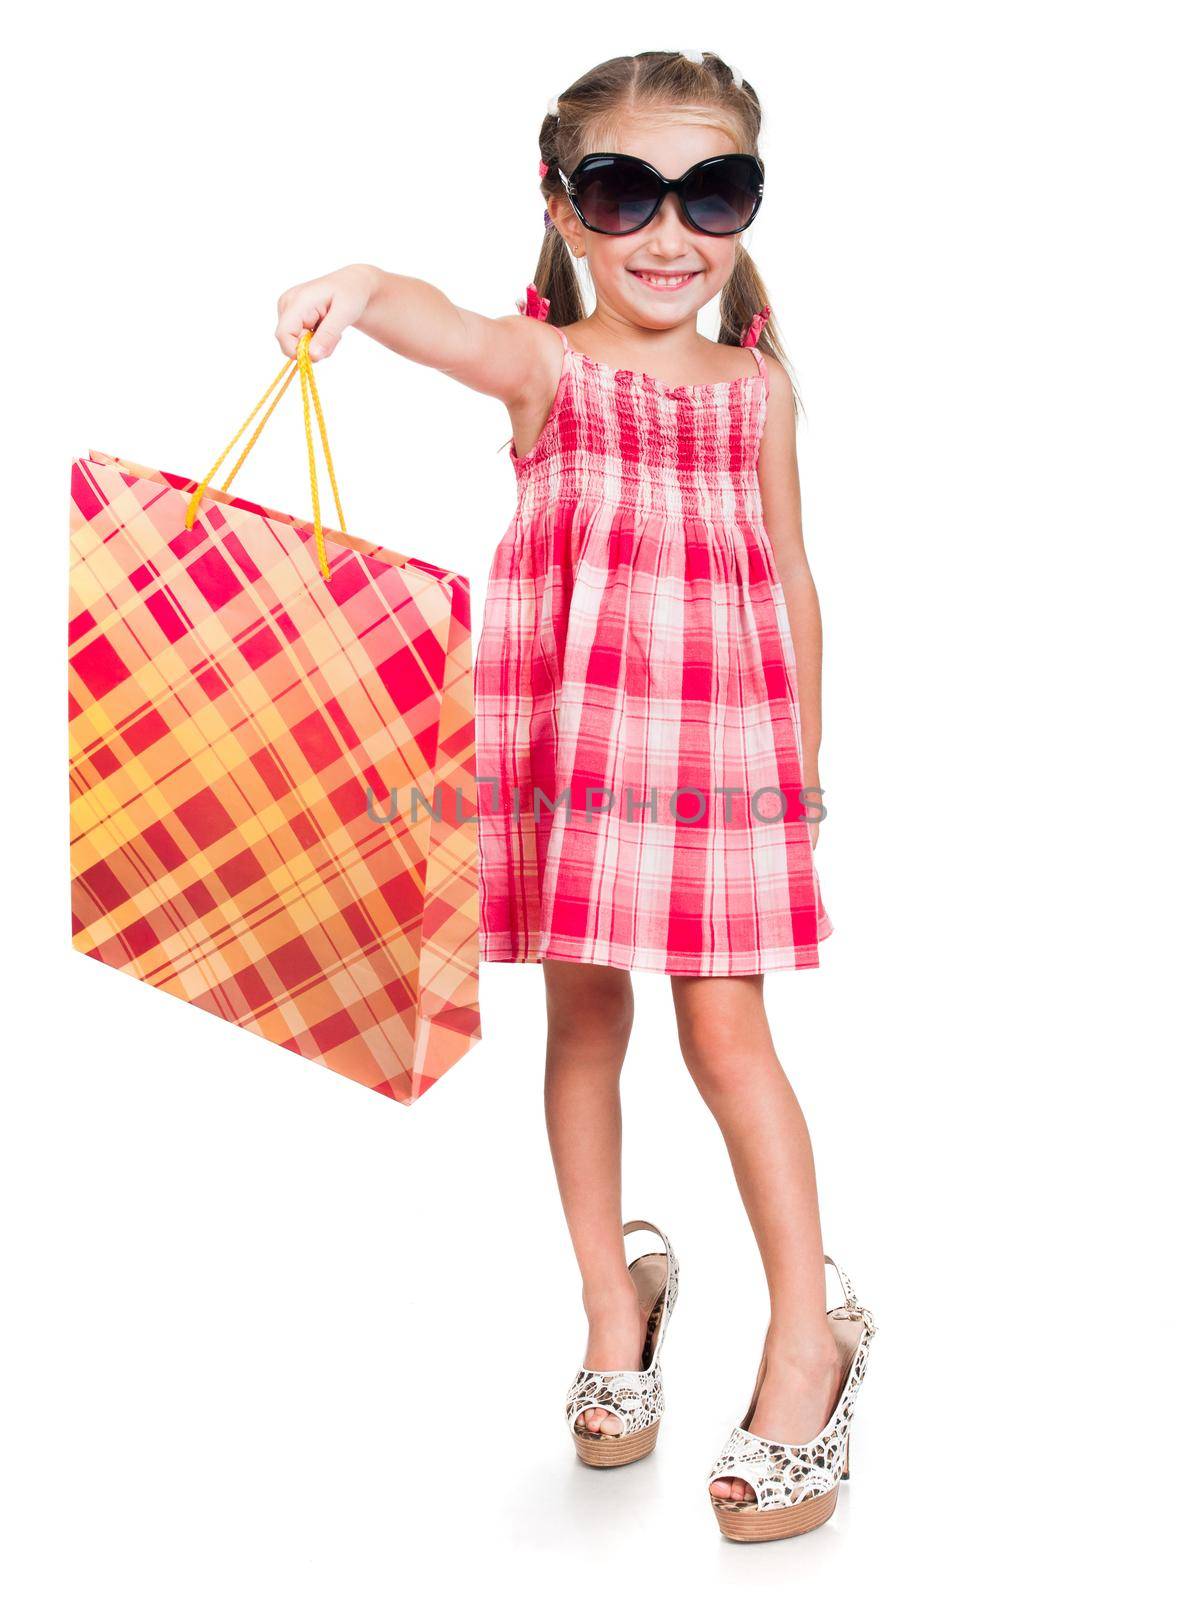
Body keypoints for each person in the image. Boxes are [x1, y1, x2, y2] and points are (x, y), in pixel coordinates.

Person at [274, 48, 875, 1543]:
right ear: (562, 206)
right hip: (571, 759)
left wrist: (801, 759)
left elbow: (793, 577)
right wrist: (358, 280)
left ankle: (811, 1335)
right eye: (625, 192)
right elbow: (445, 324)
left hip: (720, 758)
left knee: (729, 1035)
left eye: (712, 191)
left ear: (747, 204)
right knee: (584, 1020)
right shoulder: (552, 367)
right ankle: (616, 1305)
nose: (670, 233)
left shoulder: (756, 390)